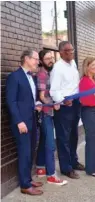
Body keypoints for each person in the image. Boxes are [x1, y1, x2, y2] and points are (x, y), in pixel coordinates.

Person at [6, 50, 43, 195]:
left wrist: (37, 104)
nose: (37, 62)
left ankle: (28, 178)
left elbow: (29, 99)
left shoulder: (32, 78)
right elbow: (11, 101)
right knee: (24, 152)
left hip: (32, 120)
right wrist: (19, 121)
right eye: (35, 59)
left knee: (31, 150)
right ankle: (25, 185)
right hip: (21, 123)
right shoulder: (14, 77)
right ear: (26, 59)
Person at [50, 41, 85, 179]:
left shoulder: (73, 64)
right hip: (64, 106)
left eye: (72, 50)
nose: (71, 52)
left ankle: (73, 161)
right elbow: (54, 90)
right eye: (67, 50)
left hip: (75, 103)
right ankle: (66, 168)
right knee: (63, 138)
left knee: (73, 135)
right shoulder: (57, 68)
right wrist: (63, 100)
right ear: (61, 52)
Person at [35, 50, 67, 185]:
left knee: (43, 140)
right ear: (42, 60)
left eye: (52, 57)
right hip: (45, 113)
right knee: (50, 144)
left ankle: (41, 168)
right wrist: (53, 104)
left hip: (48, 112)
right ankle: (51, 175)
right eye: (47, 58)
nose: (51, 60)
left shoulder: (50, 73)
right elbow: (42, 96)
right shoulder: (42, 74)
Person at [79, 57, 95, 177]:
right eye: (92, 65)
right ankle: (91, 169)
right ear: (87, 67)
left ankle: (94, 167)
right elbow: (83, 99)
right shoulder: (85, 81)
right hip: (89, 112)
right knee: (91, 140)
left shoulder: (92, 80)